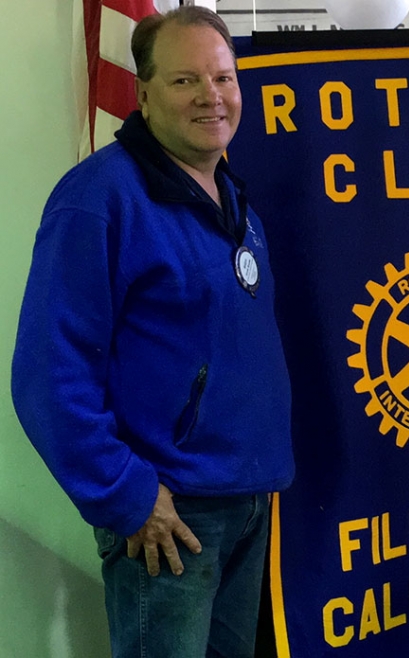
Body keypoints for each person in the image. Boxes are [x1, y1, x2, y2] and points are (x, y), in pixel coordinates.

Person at [11, 7, 293, 657]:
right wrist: (127, 495)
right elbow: (48, 374)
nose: (211, 96)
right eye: (185, 80)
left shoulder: (230, 194)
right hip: (169, 519)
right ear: (142, 93)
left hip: (247, 501)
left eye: (223, 78)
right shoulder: (100, 198)